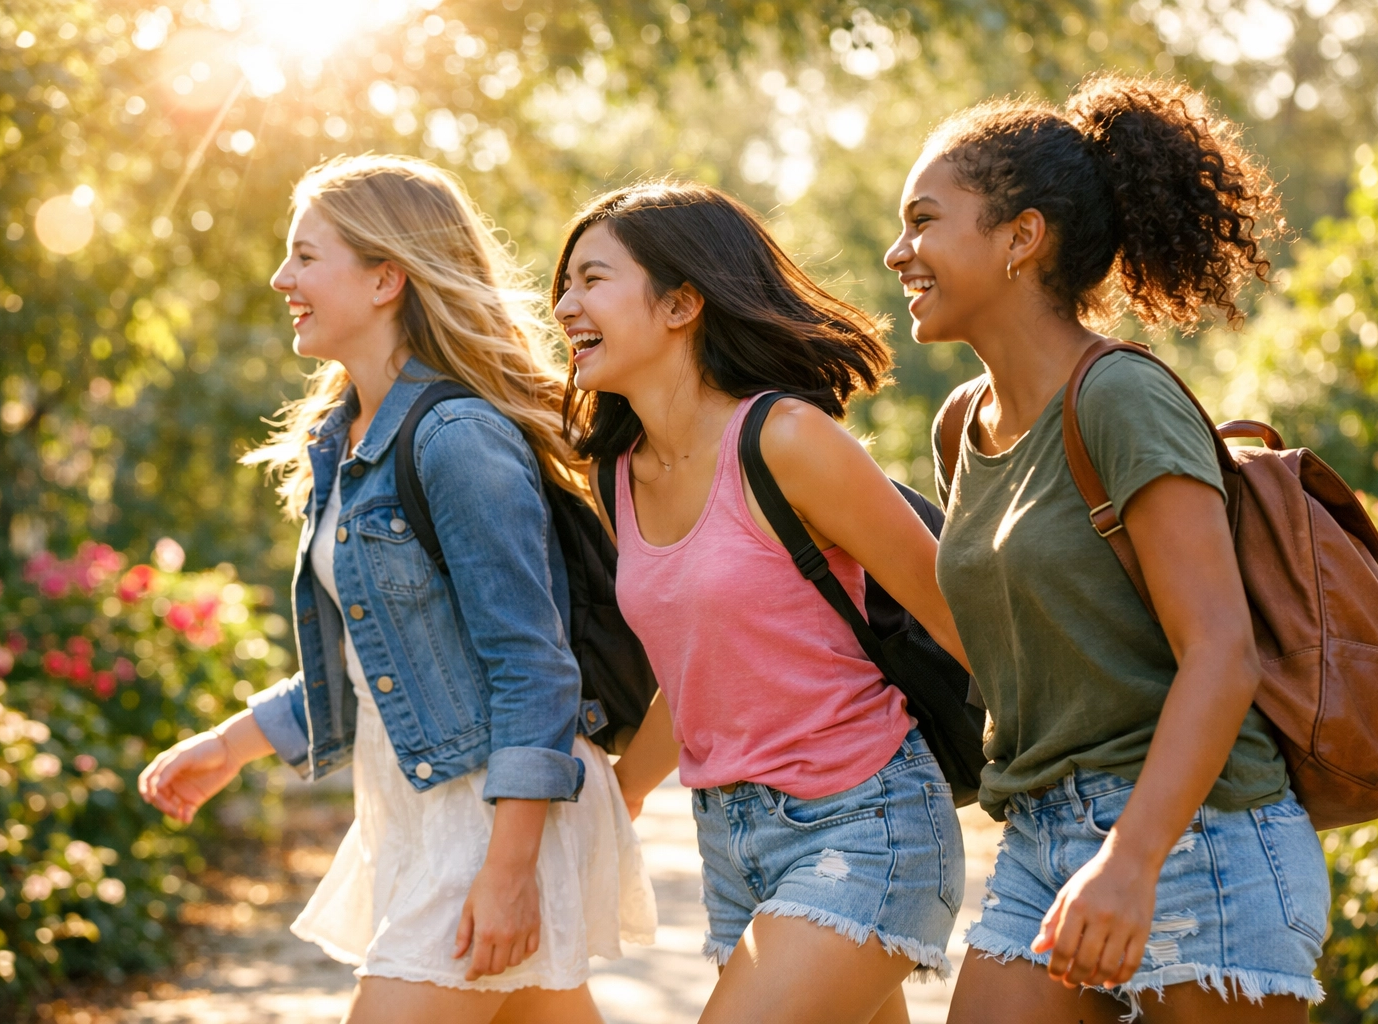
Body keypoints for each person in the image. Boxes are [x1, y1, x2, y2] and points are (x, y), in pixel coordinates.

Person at [138, 154, 654, 1024]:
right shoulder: (344, 442)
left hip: (490, 821)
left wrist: (508, 868)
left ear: (386, 278)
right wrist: (230, 746)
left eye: (306, 256)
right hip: (431, 819)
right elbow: (387, 666)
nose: (280, 277)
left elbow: (533, 667)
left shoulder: (455, 436)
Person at [886, 75, 1324, 1022]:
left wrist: (1131, 861)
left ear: (1020, 237)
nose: (898, 252)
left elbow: (1222, 651)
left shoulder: (1120, 398)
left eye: (924, 221)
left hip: (1199, 838)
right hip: (1041, 834)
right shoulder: (964, 424)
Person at [554, 182, 971, 1024]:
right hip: (735, 843)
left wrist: (1087, 799)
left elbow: (957, 614)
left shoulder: (784, 440)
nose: (565, 307)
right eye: (561, 287)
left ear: (680, 303)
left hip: (866, 819)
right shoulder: (618, 477)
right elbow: (702, 672)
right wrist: (619, 794)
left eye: (591, 279)